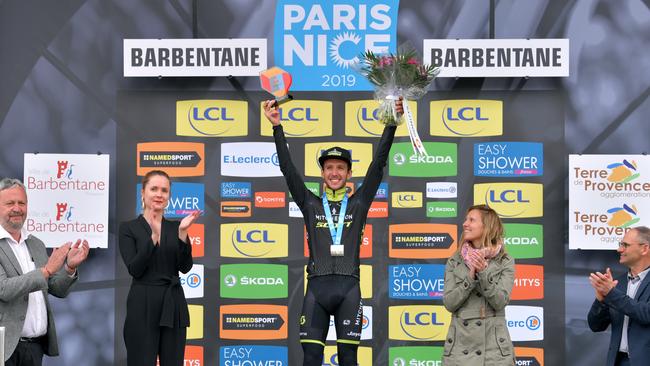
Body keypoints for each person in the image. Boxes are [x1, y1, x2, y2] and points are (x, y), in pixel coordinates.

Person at [263, 98, 402, 365]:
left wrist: (391, 125)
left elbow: (378, 165)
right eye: (329, 167)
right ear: (323, 173)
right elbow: (288, 169)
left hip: (349, 289)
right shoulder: (310, 204)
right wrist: (277, 128)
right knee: (312, 357)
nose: (334, 172)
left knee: (349, 358)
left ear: (349, 173)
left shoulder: (359, 203)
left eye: (340, 167)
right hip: (316, 289)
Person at [0, 178, 90, 366]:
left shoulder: (36, 244)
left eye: (21, 203)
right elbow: (4, 290)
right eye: (10, 203)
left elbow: (55, 288)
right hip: (5, 349)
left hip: (35, 349)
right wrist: (47, 270)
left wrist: (69, 268)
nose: (17, 208)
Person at [119, 170, 200, 366]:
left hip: (172, 303)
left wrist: (182, 233)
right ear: (143, 194)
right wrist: (154, 238)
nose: (159, 194)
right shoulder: (128, 228)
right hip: (142, 303)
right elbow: (135, 268)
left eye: (164, 190)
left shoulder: (175, 227)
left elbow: (185, 267)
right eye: (153, 188)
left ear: (169, 197)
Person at [442, 204, 516, 366]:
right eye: (465, 219)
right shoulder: (455, 261)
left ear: (486, 226)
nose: (465, 224)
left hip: (493, 351)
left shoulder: (505, 261)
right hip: (460, 349)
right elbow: (449, 303)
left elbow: (500, 301)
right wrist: (470, 277)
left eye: (471, 220)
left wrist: (483, 273)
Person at [587, 226, 650, 366]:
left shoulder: (613, 289)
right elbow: (596, 326)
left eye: (625, 245)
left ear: (644, 249)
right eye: (620, 244)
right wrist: (601, 299)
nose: (619, 250)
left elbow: (646, 314)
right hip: (618, 361)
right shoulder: (618, 283)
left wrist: (611, 293)